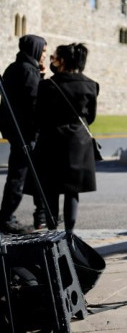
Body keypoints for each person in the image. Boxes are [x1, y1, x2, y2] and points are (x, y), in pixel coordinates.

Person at [34, 43, 99, 233]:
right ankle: (69, 234)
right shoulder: (90, 84)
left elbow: (38, 116)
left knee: (51, 191)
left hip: (51, 141)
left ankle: (53, 233)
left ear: (62, 61)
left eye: (54, 57)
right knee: (72, 191)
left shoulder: (47, 85)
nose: (52, 60)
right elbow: (91, 117)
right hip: (78, 142)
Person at [0, 34, 48, 233]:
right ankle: (6, 218)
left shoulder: (15, 68)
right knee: (18, 176)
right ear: (36, 50)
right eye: (44, 50)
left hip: (18, 131)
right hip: (26, 134)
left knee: (34, 174)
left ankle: (42, 214)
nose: (45, 54)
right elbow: (34, 102)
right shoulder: (28, 71)